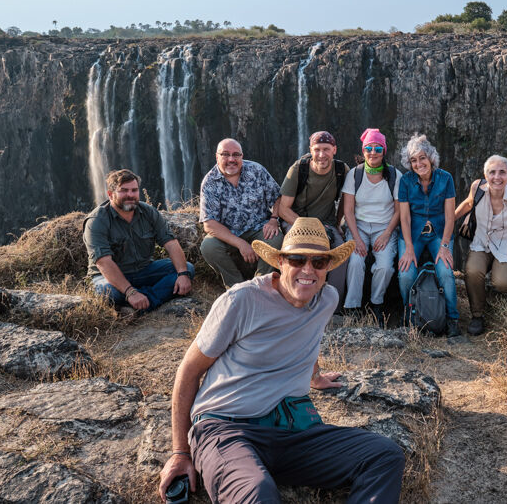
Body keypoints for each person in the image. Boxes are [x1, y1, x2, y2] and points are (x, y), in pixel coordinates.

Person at [157, 217, 405, 504]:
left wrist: (315, 377)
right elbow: (188, 371)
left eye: (319, 262)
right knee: (258, 493)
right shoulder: (241, 301)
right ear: (280, 262)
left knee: (384, 455)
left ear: (328, 267)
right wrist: (180, 451)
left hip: (291, 430)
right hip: (226, 427)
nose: (308, 270)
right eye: (298, 259)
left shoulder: (326, 299)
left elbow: (308, 339)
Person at [83, 169, 194, 311]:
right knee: (109, 293)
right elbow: (103, 262)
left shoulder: (148, 212)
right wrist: (130, 291)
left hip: (144, 270)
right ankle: (146, 297)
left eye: (134, 190)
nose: (130, 195)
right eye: (123, 190)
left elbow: (171, 243)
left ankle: (139, 305)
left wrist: (183, 274)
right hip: (107, 277)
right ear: (110, 194)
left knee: (187, 269)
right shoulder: (97, 221)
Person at [455, 155, 507, 336]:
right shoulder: (477, 188)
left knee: (502, 282)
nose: (497, 177)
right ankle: (477, 315)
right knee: (473, 271)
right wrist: (447, 220)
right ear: (485, 174)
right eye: (492, 172)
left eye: (502, 172)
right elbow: (468, 204)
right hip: (482, 244)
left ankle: (506, 280)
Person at [396, 133, 460, 337]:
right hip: (412, 233)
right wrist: (408, 248)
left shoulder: (445, 178)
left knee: (445, 271)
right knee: (406, 274)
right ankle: (410, 317)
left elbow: (450, 217)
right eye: (413, 160)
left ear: (431, 157)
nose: (418, 164)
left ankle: (452, 320)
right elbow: (404, 218)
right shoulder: (405, 181)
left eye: (422, 158)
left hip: (439, 234)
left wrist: (444, 246)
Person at [198, 138, 284, 286]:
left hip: (259, 228)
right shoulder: (209, 182)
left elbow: (278, 197)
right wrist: (240, 244)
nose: (231, 159)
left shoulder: (256, 170)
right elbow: (209, 225)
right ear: (217, 156)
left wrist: (273, 219)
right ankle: (236, 287)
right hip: (228, 233)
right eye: (225, 154)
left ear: (242, 156)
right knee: (208, 247)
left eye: (236, 154)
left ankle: (260, 285)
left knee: (276, 239)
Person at [278, 131, 351, 300]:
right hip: (295, 221)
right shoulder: (298, 169)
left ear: (334, 150)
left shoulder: (341, 170)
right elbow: (283, 209)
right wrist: (309, 228)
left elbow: (346, 201)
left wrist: (338, 224)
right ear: (311, 150)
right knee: (297, 254)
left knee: (341, 255)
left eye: (326, 149)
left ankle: (333, 305)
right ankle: (294, 298)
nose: (321, 155)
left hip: (327, 224)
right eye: (317, 149)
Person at [341, 128, 402, 319]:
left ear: (384, 151)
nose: (373, 152)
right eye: (369, 148)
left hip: (385, 227)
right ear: (363, 150)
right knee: (355, 261)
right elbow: (348, 211)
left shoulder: (394, 175)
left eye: (377, 148)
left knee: (385, 265)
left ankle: (377, 304)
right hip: (357, 226)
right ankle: (352, 307)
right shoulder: (354, 175)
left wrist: (387, 234)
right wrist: (357, 239)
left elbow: (399, 210)